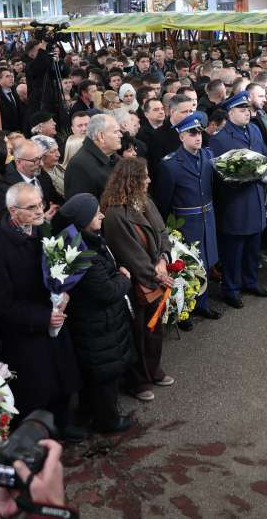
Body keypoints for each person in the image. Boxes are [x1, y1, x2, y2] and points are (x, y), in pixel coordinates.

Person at [0, 183, 83, 441]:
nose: (40, 210)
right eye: (32, 207)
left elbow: (59, 268)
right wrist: (42, 317)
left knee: (63, 377)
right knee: (39, 387)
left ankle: (64, 423)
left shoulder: (42, 230)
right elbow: (2, 302)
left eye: (40, 203)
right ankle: (39, 435)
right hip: (27, 330)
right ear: (13, 211)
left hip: (54, 317)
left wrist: (65, 293)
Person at [100, 158, 176, 399]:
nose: (149, 180)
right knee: (137, 333)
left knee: (154, 329)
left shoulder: (145, 202)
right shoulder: (114, 214)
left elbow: (162, 232)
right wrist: (157, 274)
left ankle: (154, 370)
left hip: (155, 275)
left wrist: (163, 259)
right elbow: (128, 253)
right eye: (145, 176)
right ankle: (138, 380)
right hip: (135, 283)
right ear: (132, 180)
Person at [59, 193, 134, 433]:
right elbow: (106, 291)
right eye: (96, 213)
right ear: (83, 220)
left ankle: (88, 412)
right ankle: (109, 421)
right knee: (105, 375)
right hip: (98, 324)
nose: (101, 215)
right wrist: (124, 278)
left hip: (93, 323)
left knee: (95, 376)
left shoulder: (81, 240)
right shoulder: (85, 254)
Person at [207, 92, 267, 306]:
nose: (247, 113)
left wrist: (266, 170)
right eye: (243, 110)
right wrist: (241, 177)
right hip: (234, 200)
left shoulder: (254, 129)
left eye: (248, 109)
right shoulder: (220, 138)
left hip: (254, 197)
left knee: (253, 244)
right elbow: (218, 173)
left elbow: (264, 155)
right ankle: (231, 288)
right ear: (230, 113)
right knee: (234, 249)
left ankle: (251, 281)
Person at [154, 111, 221, 320]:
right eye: (191, 134)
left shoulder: (208, 156)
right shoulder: (170, 164)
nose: (198, 137)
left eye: (199, 132)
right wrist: (168, 230)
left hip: (207, 217)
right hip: (185, 222)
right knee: (187, 265)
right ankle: (184, 310)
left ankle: (202, 303)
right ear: (181, 137)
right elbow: (163, 201)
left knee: (207, 262)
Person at [0, 137, 60, 226]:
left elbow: (56, 199)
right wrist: (41, 219)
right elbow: (3, 222)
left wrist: (55, 207)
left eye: (41, 158)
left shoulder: (42, 176)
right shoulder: (4, 189)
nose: (41, 164)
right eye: (35, 160)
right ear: (19, 162)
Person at [64, 114, 121, 200]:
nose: (120, 135)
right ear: (101, 136)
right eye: (116, 132)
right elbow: (82, 208)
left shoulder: (113, 156)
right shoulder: (79, 166)